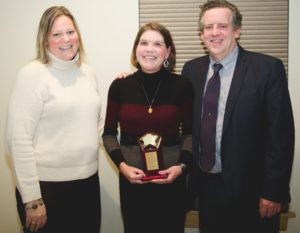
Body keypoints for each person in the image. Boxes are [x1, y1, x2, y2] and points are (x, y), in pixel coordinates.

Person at [181, 1, 295, 233]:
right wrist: (131, 77)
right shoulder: (191, 70)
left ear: (237, 30)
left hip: (253, 192)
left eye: (222, 26)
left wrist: (273, 191)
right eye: (208, 27)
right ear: (201, 34)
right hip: (207, 189)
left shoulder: (267, 69)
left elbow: (281, 136)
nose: (215, 33)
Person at [5, 6, 102, 233]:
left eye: (70, 31)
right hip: (46, 190)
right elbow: (17, 140)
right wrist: (32, 200)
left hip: (88, 184)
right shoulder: (32, 74)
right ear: (45, 40)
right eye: (56, 34)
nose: (65, 39)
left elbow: (95, 124)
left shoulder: (88, 72)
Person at [102, 22, 194, 233]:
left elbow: (189, 134)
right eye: (143, 43)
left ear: (168, 51)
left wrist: (181, 167)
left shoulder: (183, 86)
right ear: (136, 49)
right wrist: (122, 167)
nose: (149, 49)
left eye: (157, 44)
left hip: (172, 184)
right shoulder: (119, 86)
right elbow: (108, 135)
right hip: (133, 185)